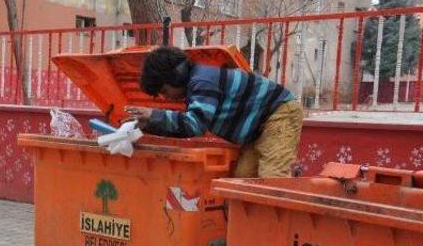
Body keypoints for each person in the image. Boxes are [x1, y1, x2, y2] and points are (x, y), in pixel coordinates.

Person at [125, 46, 303, 178]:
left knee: (272, 179)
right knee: (242, 181)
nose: (166, 98)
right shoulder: (196, 85)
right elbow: (186, 128)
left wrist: (153, 115)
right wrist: (148, 125)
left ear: (176, 76)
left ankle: (276, 227)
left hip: (279, 115)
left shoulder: (203, 82)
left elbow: (194, 125)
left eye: (164, 91)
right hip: (258, 130)